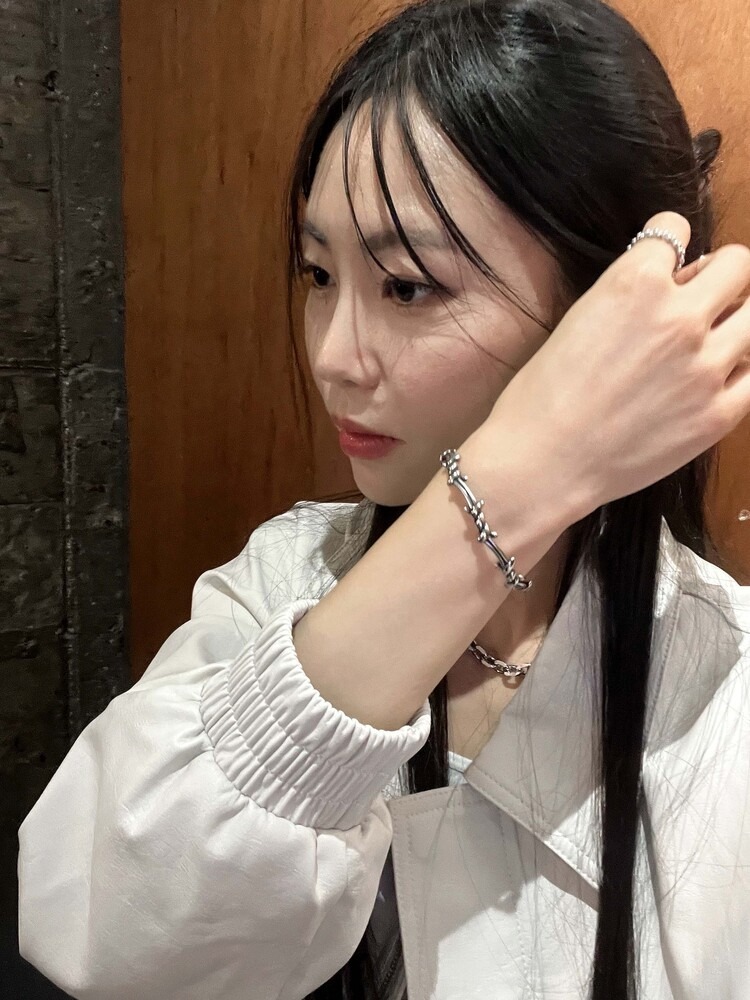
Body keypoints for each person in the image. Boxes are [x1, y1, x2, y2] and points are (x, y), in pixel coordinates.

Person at [18, 0, 750, 997]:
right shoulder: (283, 585)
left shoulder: (723, 682)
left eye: (406, 286)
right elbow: (111, 936)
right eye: (319, 273)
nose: (332, 355)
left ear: (615, 313)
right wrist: (520, 479)